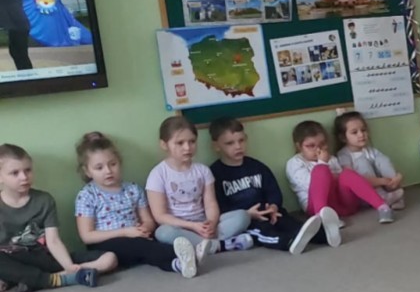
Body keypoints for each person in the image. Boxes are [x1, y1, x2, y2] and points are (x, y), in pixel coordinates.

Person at [74, 132, 199, 278]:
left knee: (158, 236)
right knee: (142, 247)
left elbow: (148, 220)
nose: (108, 171)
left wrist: (144, 229)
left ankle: (179, 263)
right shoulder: (87, 195)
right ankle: (183, 256)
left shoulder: (132, 189)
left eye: (112, 164)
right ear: (87, 171)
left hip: (135, 236)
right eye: (99, 168)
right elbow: (87, 236)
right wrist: (125, 232)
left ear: (119, 162)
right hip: (105, 243)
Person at [0, 143, 114, 292]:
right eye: (15, 173)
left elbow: (53, 241)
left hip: (44, 258)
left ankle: (46, 278)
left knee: (109, 258)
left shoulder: (44, 200)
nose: (24, 177)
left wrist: (69, 266)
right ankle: (50, 280)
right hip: (11, 261)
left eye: (28, 170)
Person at [210, 118, 337, 253]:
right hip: (249, 220)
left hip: (271, 212)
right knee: (264, 232)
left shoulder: (257, 166)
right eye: (230, 143)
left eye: (241, 140)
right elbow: (219, 206)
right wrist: (248, 214)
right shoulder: (215, 173)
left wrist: (274, 206)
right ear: (217, 146)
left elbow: (273, 191)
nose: (238, 146)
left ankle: (325, 234)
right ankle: (289, 242)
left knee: (292, 223)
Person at [147, 115, 254, 256]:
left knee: (242, 215)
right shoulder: (158, 174)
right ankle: (221, 245)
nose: (187, 148)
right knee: (162, 233)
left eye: (192, 141)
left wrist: (211, 223)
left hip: (203, 224)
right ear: (164, 145)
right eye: (180, 143)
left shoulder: (203, 170)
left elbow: (210, 203)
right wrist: (192, 226)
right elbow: (160, 216)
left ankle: (204, 245)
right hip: (180, 227)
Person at [285, 120, 395, 225]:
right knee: (320, 171)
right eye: (311, 146)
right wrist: (322, 164)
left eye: (322, 144)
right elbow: (312, 185)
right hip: (316, 208)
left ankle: (383, 207)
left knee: (347, 174)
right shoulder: (294, 163)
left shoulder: (332, 159)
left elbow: (341, 180)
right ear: (299, 147)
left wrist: (331, 174)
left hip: (342, 204)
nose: (318, 150)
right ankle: (325, 220)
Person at [334, 111, 406, 211]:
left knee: (382, 159)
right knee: (361, 162)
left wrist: (397, 177)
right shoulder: (344, 155)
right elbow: (352, 179)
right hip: (362, 195)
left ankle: (393, 191)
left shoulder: (370, 150)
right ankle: (382, 198)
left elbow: (387, 164)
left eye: (363, 130)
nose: (361, 134)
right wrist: (382, 181)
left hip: (383, 184)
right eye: (354, 132)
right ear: (343, 138)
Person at [0, 0, 34, 71]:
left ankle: (28, 75)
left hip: (18, 25)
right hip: (17, 25)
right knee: (16, 52)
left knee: (20, 54)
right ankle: (25, 74)